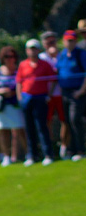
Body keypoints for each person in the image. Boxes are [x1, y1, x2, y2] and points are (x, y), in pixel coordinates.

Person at [16, 38, 57, 166]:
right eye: (30, 49)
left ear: (38, 50)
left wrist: (49, 95)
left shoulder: (45, 64)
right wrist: (19, 97)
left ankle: (48, 154)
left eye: (34, 48)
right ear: (27, 51)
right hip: (26, 98)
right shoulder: (23, 64)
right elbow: (19, 82)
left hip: (40, 97)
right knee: (29, 128)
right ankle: (32, 156)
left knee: (42, 127)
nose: (32, 51)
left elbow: (53, 79)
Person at [0, 46, 25, 166]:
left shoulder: (19, 69)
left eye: (12, 56)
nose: (10, 59)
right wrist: (3, 91)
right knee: (3, 130)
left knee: (20, 130)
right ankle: (6, 156)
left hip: (16, 103)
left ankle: (27, 154)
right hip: (3, 105)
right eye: (7, 57)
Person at [56, 30, 86, 160]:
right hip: (65, 93)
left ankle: (80, 150)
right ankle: (71, 150)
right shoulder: (62, 55)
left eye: (72, 40)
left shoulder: (81, 54)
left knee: (75, 120)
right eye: (68, 40)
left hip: (77, 92)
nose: (70, 42)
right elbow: (57, 71)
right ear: (63, 41)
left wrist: (81, 91)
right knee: (66, 121)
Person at [40, 30, 70, 158]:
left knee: (66, 121)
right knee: (47, 122)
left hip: (62, 94)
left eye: (53, 41)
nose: (51, 44)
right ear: (44, 44)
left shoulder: (63, 55)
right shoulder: (41, 57)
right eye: (48, 42)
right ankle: (50, 148)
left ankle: (64, 147)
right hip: (47, 95)